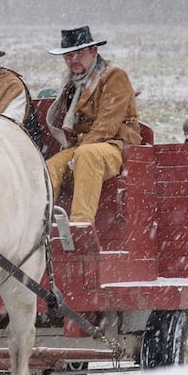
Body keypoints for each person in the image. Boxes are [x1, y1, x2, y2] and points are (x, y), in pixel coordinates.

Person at [42, 25, 141, 226]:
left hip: (115, 146)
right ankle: (41, 224)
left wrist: (78, 153)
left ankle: (80, 225)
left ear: (94, 51)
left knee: (86, 156)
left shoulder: (114, 76)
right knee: (51, 167)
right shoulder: (71, 81)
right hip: (82, 146)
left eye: (79, 54)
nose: (73, 60)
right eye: (68, 56)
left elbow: (106, 126)